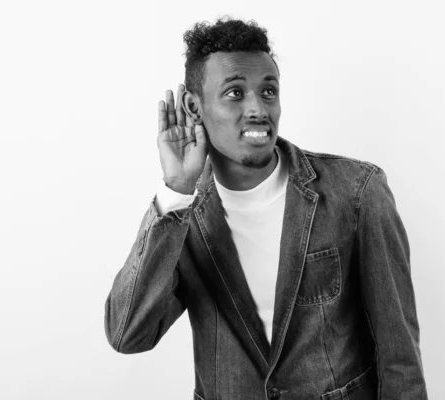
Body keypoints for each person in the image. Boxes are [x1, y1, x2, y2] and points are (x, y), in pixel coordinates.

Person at [104, 17, 427, 400]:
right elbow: (128, 334)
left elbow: (399, 356)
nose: (258, 108)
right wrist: (176, 191)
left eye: (268, 91)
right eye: (235, 93)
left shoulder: (356, 192)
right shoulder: (182, 218)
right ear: (194, 106)